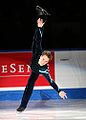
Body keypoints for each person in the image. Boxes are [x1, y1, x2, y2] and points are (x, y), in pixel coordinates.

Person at [17, 5, 67, 112]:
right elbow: (39, 40)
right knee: (36, 39)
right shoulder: (38, 53)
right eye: (43, 59)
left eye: (46, 61)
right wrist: (39, 28)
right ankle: (43, 17)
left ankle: (23, 106)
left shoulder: (44, 69)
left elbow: (51, 82)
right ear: (41, 55)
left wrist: (59, 91)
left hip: (35, 71)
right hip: (35, 55)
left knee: (29, 86)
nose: (43, 61)